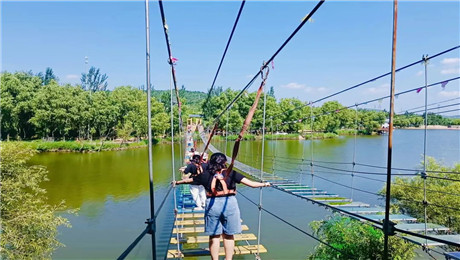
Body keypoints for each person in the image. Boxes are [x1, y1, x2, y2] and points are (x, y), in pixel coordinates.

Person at [173, 153, 270, 260]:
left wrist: (177, 182)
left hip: (212, 205)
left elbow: (189, 180)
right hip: (229, 204)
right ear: (225, 162)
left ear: (210, 162)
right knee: (228, 235)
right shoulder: (231, 173)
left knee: (214, 236)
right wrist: (264, 184)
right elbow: (251, 184)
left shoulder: (205, 174)